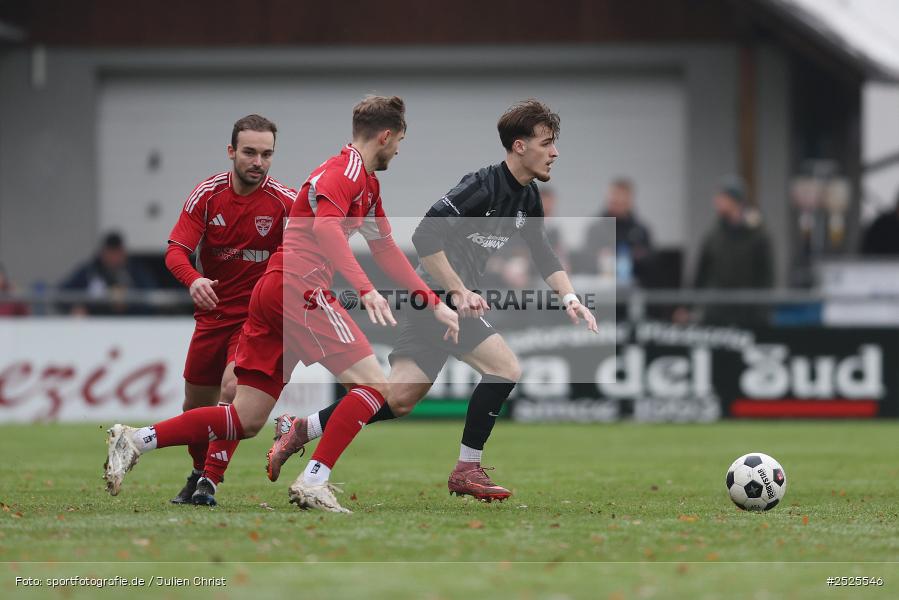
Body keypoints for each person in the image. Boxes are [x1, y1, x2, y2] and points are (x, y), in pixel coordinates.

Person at [103, 96, 459, 513]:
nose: (398, 149)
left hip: (274, 291)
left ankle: (136, 440)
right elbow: (326, 231)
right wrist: (365, 289)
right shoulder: (342, 172)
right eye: (399, 140)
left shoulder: (366, 184)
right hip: (300, 289)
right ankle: (313, 480)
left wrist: (433, 302)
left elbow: (385, 250)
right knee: (375, 388)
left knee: (245, 420)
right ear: (386, 136)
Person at [266, 99, 598, 502]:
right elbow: (425, 235)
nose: (555, 152)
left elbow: (543, 253)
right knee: (505, 368)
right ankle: (467, 469)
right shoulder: (480, 186)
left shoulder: (528, 198)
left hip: (441, 302)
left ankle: (302, 428)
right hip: (438, 297)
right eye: (547, 143)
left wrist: (570, 297)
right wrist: (456, 290)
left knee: (397, 398)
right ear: (519, 146)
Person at [163, 114, 296, 506]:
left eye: (267, 154)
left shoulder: (284, 203)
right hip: (212, 318)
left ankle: (210, 481)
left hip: (256, 320)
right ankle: (197, 472)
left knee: (232, 388)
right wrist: (194, 280)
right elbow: (176, 251)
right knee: (194, 407)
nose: (258, 162)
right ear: (231, 151)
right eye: (250, 152)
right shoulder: (207, 195)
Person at [692, 175, 774, 326]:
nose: (716, 201)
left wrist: (763, 312)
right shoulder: (713, 235)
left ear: (735, 200)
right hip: (717, 313)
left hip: (749, 315)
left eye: (722, 197)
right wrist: (688, 306)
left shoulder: (758, 235)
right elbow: (701, 274)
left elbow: (766, 277)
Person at [59, 232, 157, 315]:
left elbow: (153, 298)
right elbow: (61, 294)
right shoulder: (89, 272)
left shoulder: (135, 272)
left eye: (117, 253)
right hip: (95, 324)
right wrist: (76, 307)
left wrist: (129, 305)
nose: (114, 258)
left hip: (130, 325)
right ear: (102, 253)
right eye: (110, 253)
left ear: (123, 253)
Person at [581, 177, 653, 283]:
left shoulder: (640, 230)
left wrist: (634, 257)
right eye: (614, 200)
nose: (618, 203)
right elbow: (585, 260)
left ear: (630, 201)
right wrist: (601, 258)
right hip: (601, 285)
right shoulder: (595, 229)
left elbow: (650, 262)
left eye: (622, 201)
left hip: (634, 285)